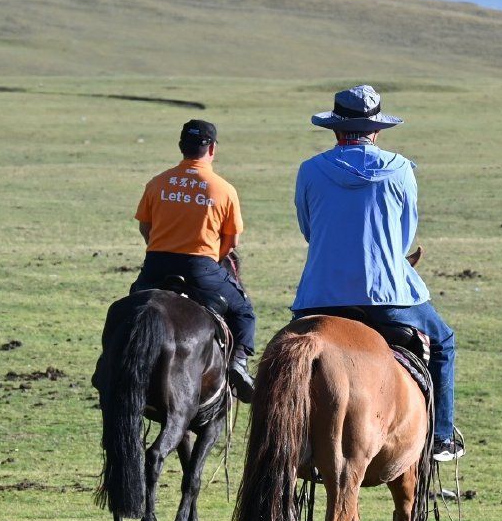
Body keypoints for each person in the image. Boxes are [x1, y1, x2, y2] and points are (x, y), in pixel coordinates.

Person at [291, 84, 464, 461]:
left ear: (336, 130)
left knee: (285, 358)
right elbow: (405, 236)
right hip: (390, 297)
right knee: (444, 343)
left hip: (321, 296)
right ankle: (443, 438)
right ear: (377, 130)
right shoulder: (401, 169)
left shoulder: (309, 170)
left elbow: (309, 229)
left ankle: (288, 439)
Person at [131, 119, 255, 402]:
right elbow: (231, 242)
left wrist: (161, 248)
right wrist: (212, 260)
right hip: (200, 268)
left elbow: (145, 228)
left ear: (181, 147)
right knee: (244, 311)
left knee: (133, 307)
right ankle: (238, 364)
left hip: (156, 265)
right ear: (212, 148)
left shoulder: (158, 183)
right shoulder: (223, 189)